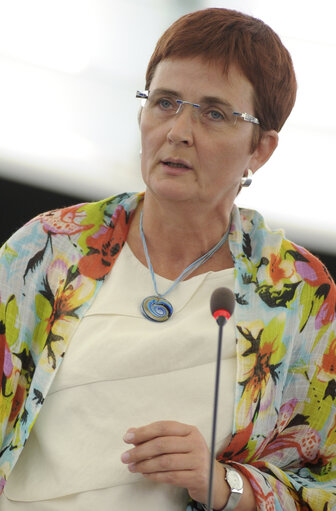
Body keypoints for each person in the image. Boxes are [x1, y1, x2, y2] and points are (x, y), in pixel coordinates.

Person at [0, 7, 335, 511]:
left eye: (215, 112)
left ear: (260, 149)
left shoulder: (298, 294)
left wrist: (225, 485)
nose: (179, 130)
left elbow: (324, 489)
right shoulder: (49, 247)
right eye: (165, 102)